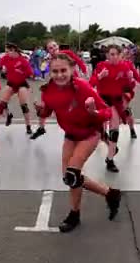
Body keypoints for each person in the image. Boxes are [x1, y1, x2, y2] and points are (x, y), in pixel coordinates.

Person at [35, 52, 121, 233]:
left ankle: (74, 215)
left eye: (63, 70)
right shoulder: (48, 90)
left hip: (90, 133)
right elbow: (46, 113)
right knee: (69, 177)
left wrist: (92, 112)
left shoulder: (82, 87)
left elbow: (106, 112)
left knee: (73, 174)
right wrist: (40, 111)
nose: (59, 75)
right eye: (55, 71)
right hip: (71, 134)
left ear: (72, 69)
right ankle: (110, 193)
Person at [30, 40, 88, 140]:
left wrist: (84, 71)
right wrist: (45, 62)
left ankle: (86, 127)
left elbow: (78, 61)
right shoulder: (49, 58)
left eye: (54, 46)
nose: (53, 48)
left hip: (72, 82)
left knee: (78, 105)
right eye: (50, 48)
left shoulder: (67, 53)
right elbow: (42, 70)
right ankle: (41, 127)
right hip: (58, 83)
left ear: (58, 46)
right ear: (48, 50)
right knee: (45, 101)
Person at [89, 45, 133, 173]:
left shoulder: (124, 67)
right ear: (107, 55)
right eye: (111, 54)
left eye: (116, 54)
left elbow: (128, 87)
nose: (113, 57)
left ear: (120, 55)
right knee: (100, 131)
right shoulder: (101, 66)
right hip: (102, 99)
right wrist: (100, 76)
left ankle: (110, 158)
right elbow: (91, 83)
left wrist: (130, 79)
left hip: (116, 100)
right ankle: (109, 144)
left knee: (114, 128)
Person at [0, 43, 34, 134]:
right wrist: (3, 69)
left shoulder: (23, 60)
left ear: (14, 50)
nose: (6, 53)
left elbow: (30, 73)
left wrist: (21, 72)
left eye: (8, 51)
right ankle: (9, 116)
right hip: (11, 83)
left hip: (22, 83)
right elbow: (1, 65)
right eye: (6, 52)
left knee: (24, 105)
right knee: (2, 102)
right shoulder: (5, 58)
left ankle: (28, 126)